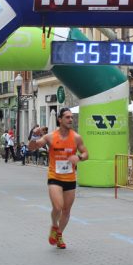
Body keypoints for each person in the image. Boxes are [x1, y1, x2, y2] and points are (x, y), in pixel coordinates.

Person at [28, 107, 88, 249]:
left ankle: (59, 234)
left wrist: (78, 157)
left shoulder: (76, 137)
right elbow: (32, 148)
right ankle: (54, 226)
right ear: (60, 119)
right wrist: (34, 136)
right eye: (67, 117)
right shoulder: (50, 137)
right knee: (58, 206)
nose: (70, 119)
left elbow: (86, 153)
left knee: (66, 210)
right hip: (54, 177)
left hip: (70, 179)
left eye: (71, 117)